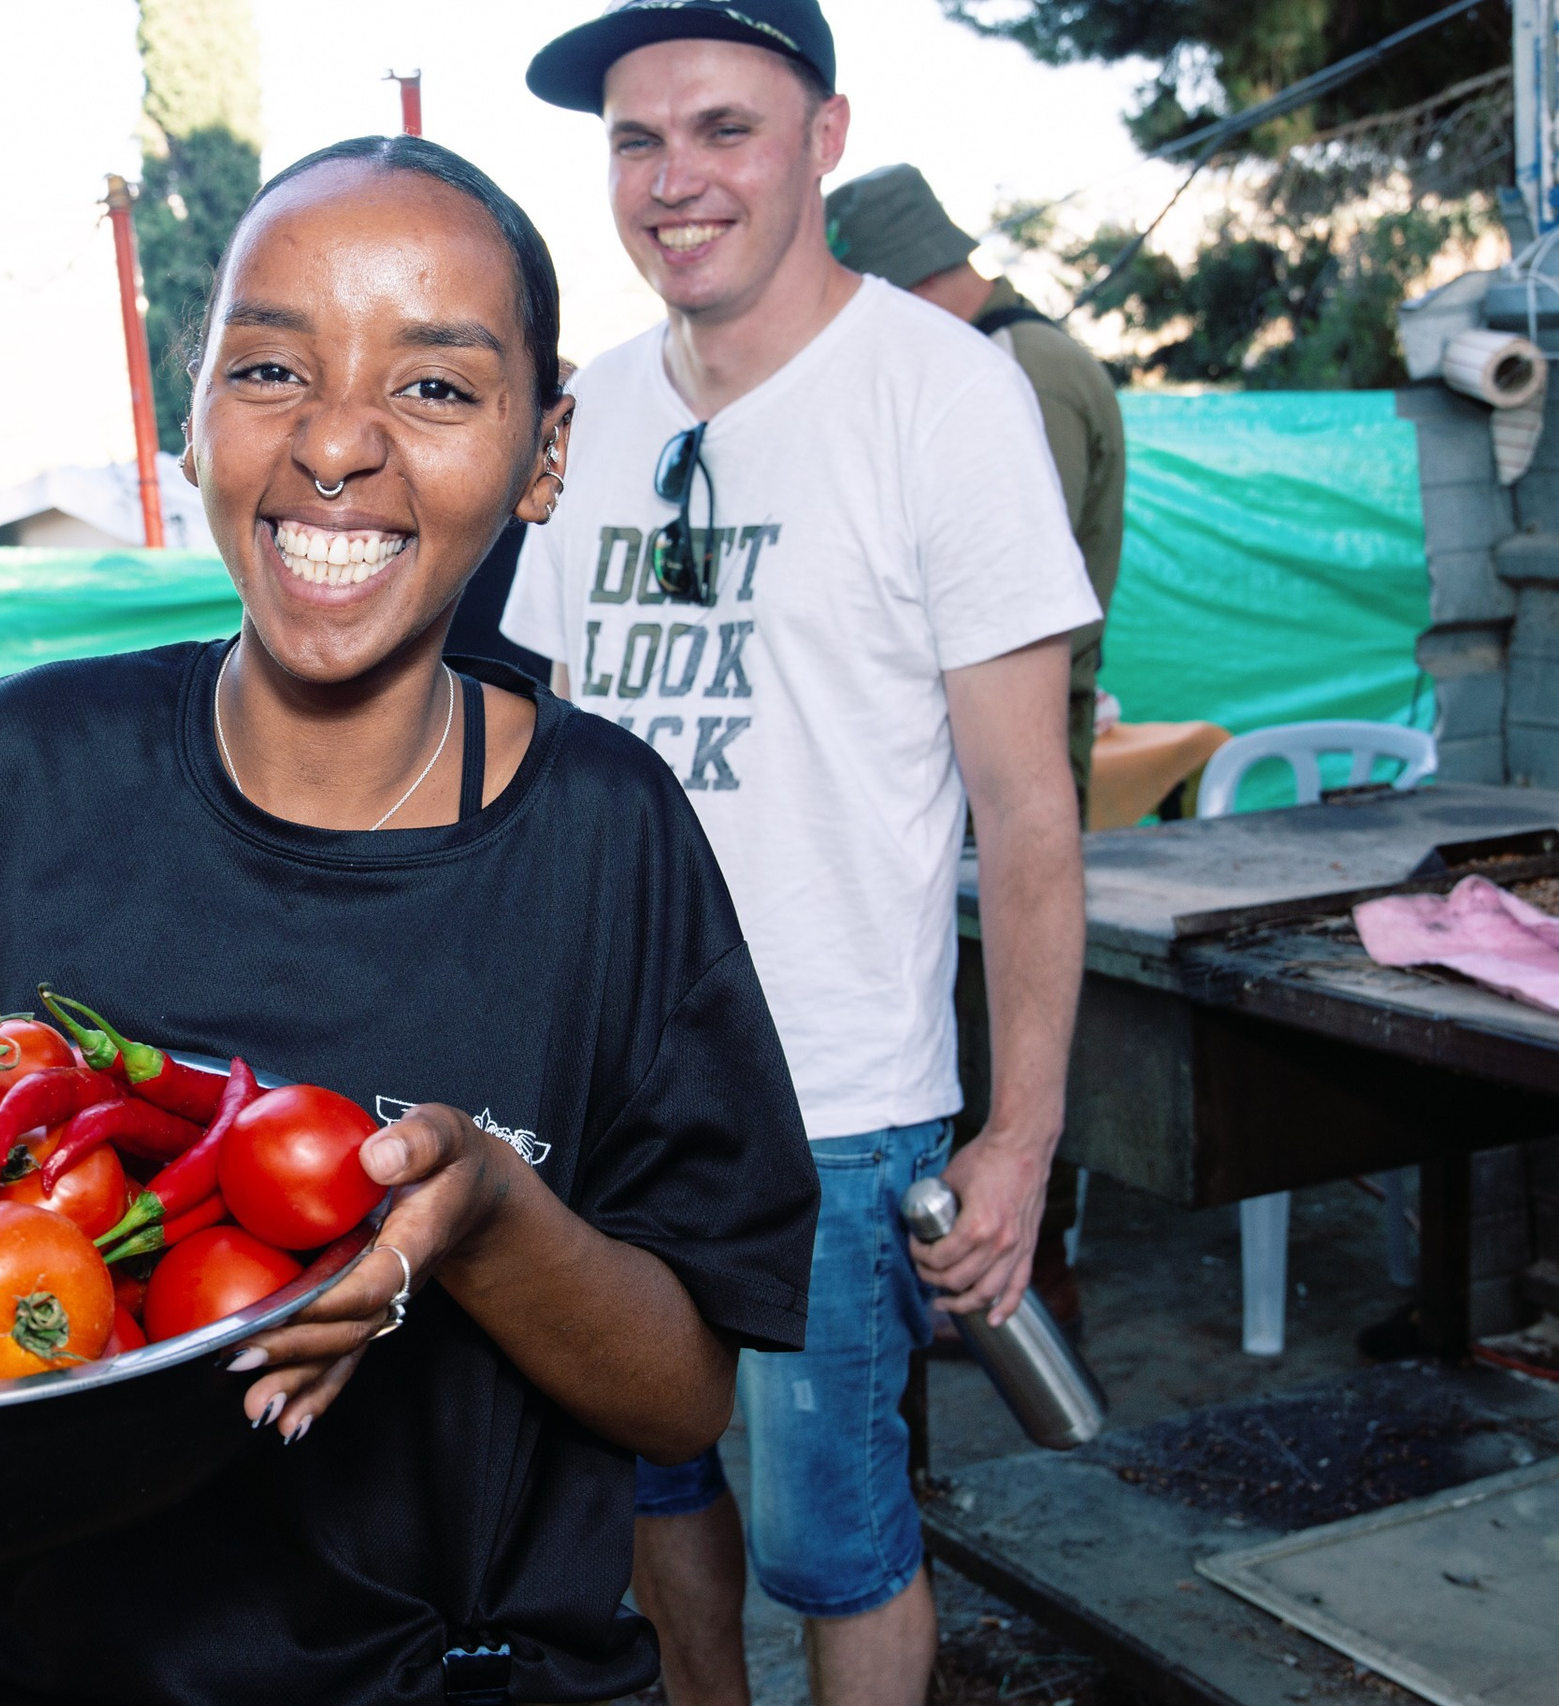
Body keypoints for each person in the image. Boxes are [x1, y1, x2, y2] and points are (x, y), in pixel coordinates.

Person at [0, 134, 819, 1706]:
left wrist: (494, 1217)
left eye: (437, 387)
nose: (337, 443)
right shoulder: (16, 769)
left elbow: (679, 1395)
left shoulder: (607, 836)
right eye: (270, 369)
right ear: (193, 411)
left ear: (544, 448)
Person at [504, 6, 1097, 1705]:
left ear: (825, 138)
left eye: (724, 129)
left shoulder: (945, 396)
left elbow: (1029, 811)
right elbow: (552, 755)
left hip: (832, 1104)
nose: (673, 179)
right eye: (636, 140)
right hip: (614, 1093)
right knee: (647, 1485)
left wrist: (1020, 1134)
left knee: (837, 1540)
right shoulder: (594, 411)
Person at [828, 161, 1127, 1332]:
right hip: (989, 746)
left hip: (1002, 754)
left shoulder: (1006, 376)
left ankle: (1020, 1277)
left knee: (1004, 1027)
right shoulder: (1028, 353)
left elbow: (995, 602)